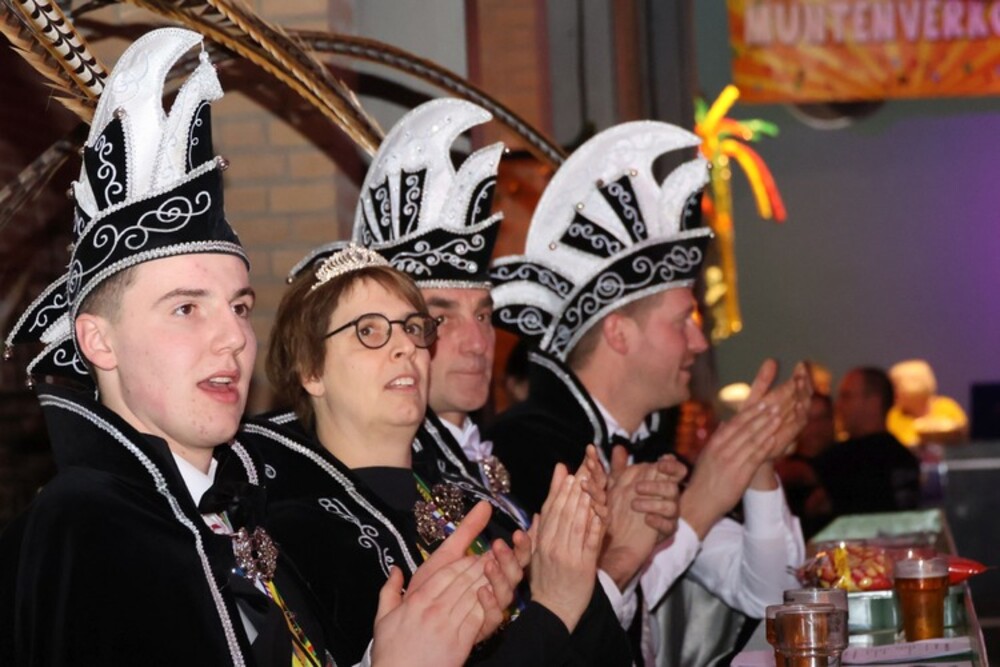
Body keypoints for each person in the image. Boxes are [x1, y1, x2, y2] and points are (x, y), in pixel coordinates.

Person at [0, 29, 501, 667]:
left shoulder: (231, 509)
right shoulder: (86, 533)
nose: (235, 336)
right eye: (186, 308)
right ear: (99, 341)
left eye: (239, 307)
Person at [484, 120, 811, 666]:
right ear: (619, 333)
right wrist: (701, 504)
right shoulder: (527, 451)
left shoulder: (646, 445)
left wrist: (755, 463)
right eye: (683, 321)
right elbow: (568, 630)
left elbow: (771, 595)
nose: (699, 342)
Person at [243, 244, 632, 666]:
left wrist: (571, 568)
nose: (406, 347)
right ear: (311, 370)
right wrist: (554, 606)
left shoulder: (476, 507)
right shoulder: (297, 537)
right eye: (369, 331)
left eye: (413, 328)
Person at [813, 367, 921, 516]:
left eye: (846, 396)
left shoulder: (842, 460)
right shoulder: (905, 458)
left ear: (873, 403)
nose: (838, 405)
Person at [888, 359, 968, 446]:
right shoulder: (892, 417)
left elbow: (961, 434)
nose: (891, 393)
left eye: (896, 387)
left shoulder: (947, 407)